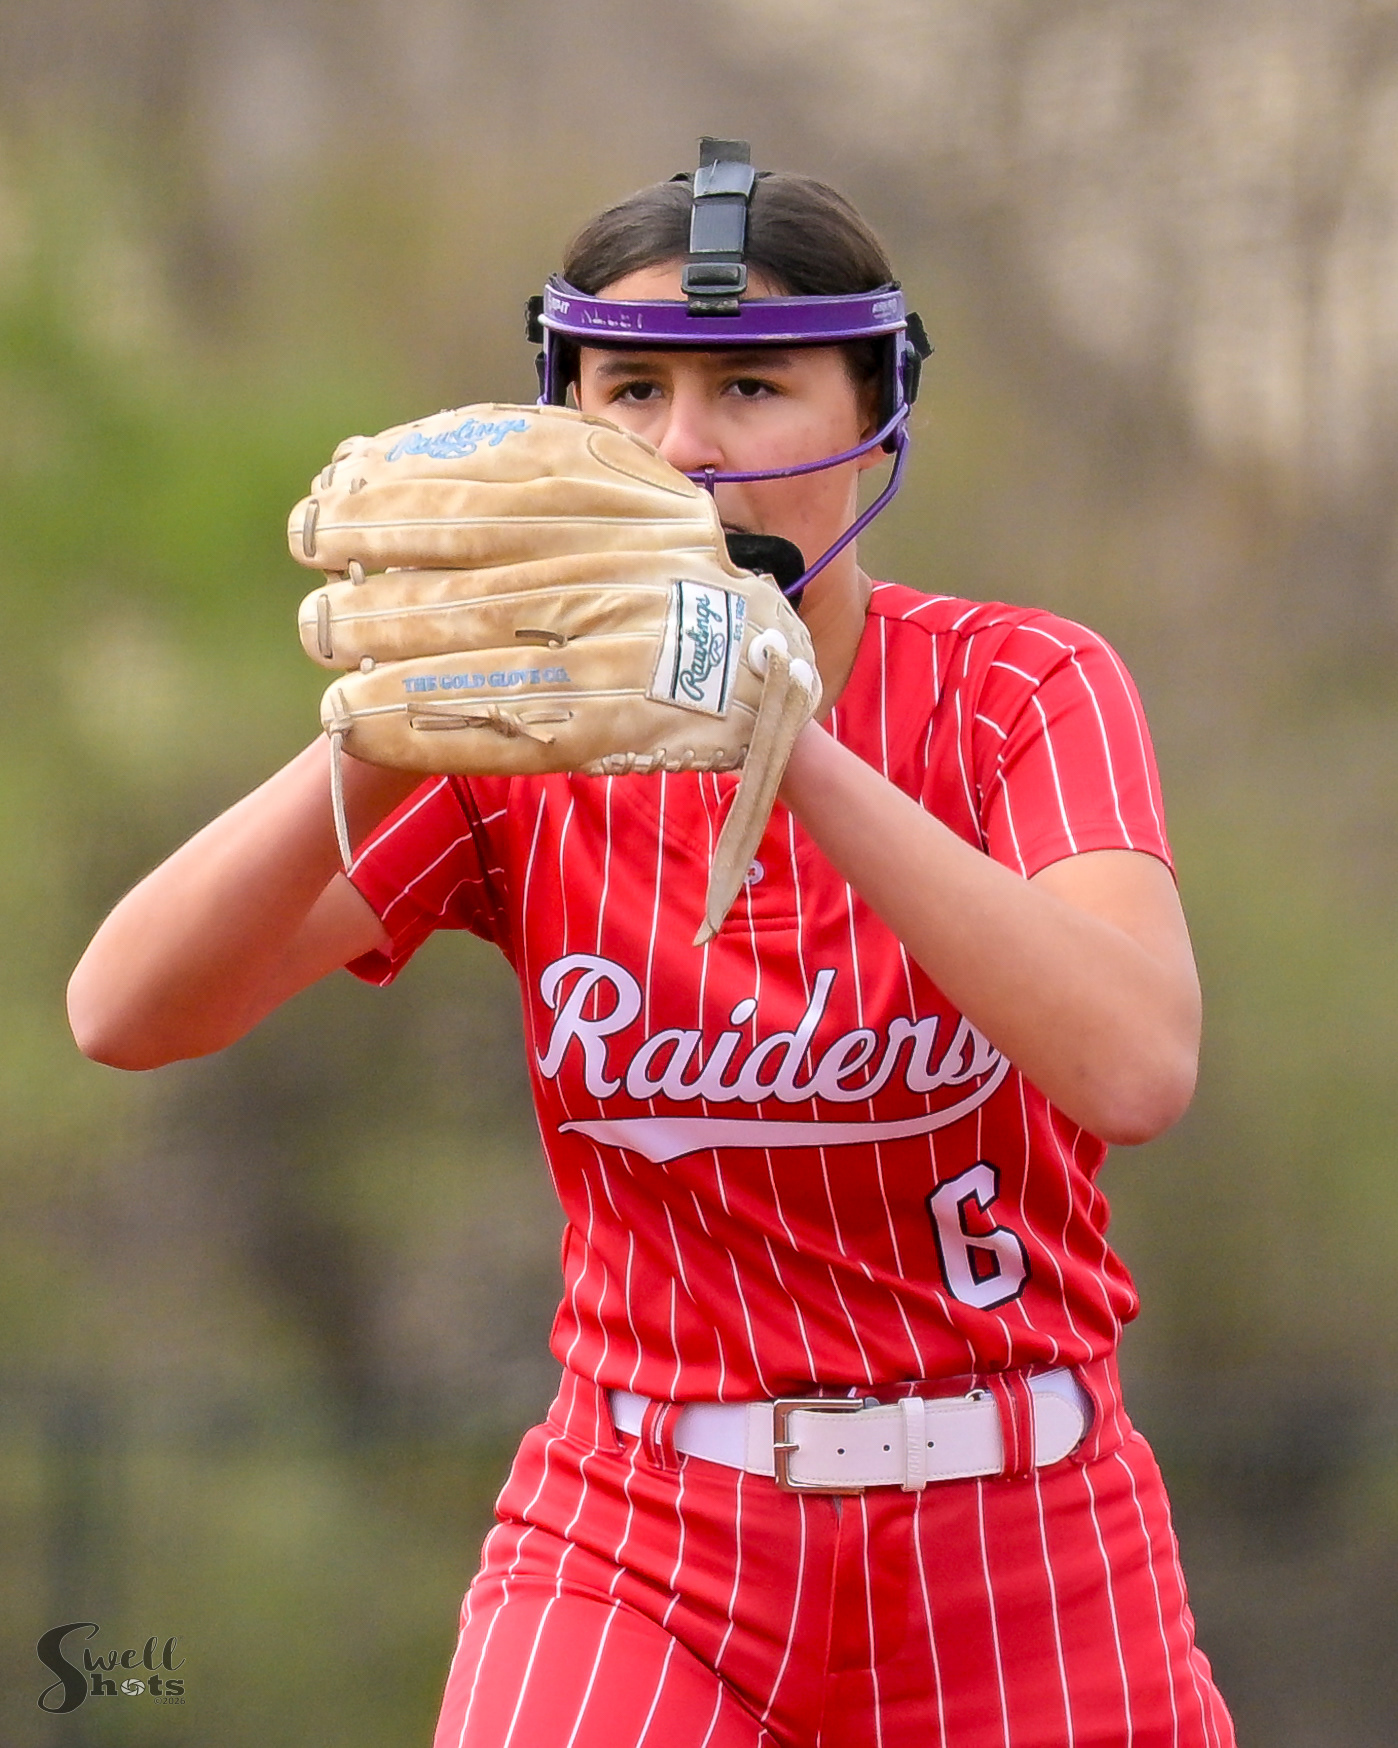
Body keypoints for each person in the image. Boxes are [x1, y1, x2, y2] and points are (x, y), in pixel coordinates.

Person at [67, 139, 1235, 1748]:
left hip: (1021, 1540)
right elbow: (126, 1010)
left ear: (878, 407)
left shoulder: (1017, 688)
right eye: (629, 390)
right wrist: (388, 722)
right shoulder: (521, 741)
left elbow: (1135, 1067)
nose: (683, 445)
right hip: (643, 1533)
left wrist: (782, 736)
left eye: (750, 387)